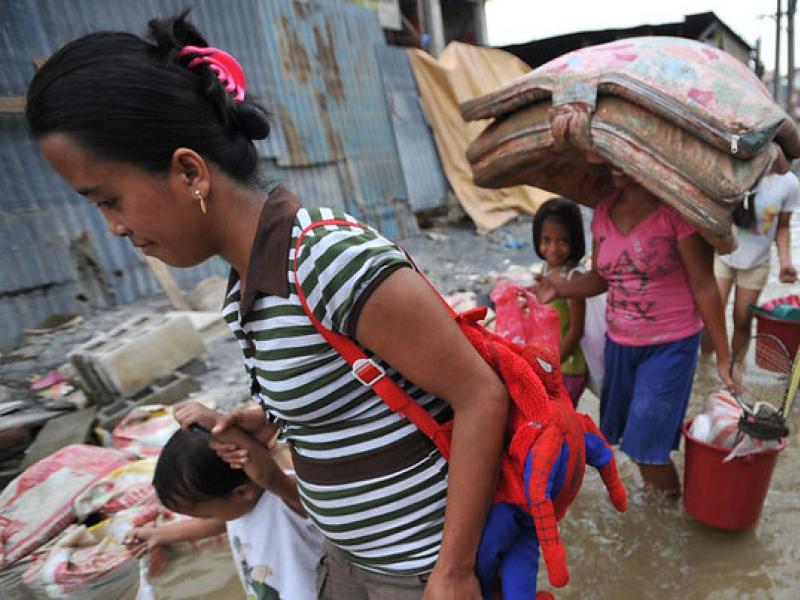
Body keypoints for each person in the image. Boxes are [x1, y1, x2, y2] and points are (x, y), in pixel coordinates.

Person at [26, 12, 508, 598]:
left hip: (418, 568)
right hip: (349, 555)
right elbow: (345, 379)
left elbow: (480, 395)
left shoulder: (326, 258)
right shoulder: (247, 279)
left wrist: (453, 572)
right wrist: (272, 415)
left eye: (110, 199)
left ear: (188, 171)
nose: (113, 228)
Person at [534, 158, 734, 497]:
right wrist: (559, 289)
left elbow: (704, 285)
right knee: (628, 439)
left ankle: (669, 521)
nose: (616, 165)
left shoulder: (676, 212)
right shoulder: (603, 211)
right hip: (620, 344)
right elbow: (601, 277)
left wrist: (724, 355)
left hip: (671, 344)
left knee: (648, 448)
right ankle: (655, 510)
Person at [125, 403, 322, 600]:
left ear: (241, 492)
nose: (207, 519)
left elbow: (266, 474)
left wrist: (221, 426)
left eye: (207, 513)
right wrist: (158, 535)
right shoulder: (239, 508)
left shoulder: (289, 496)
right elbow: (213, 524)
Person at [705, 164, 800, 358]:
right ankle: (704, 365)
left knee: (742, 319)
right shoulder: (735, 169)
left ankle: (736, 368)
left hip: (757, 261)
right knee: (711, 315)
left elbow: (783, 227)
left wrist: (786, 262)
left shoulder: (789, 183)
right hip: (723, 255)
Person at [532, 198, 588, 406]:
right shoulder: (545, 269)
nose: (553, 248)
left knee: (559, 420)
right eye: (546, 240)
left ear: (575, 241)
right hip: (552, 363)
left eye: (562, 241)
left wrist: (552, 365)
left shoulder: (573, 279)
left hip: (568, 368)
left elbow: (576, 330)